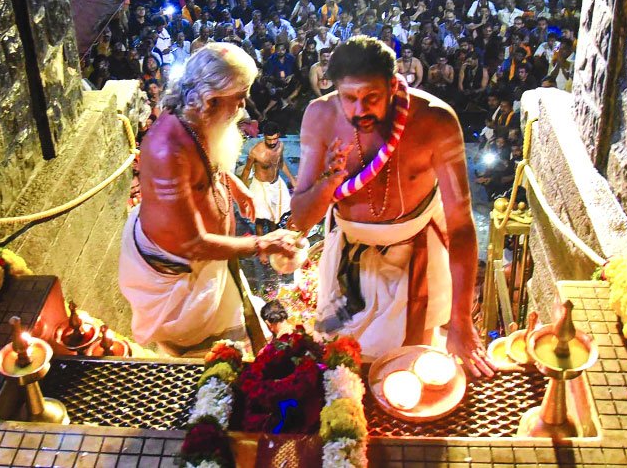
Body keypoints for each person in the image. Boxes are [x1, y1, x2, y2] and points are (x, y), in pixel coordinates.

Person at [289, 37, 495, 376]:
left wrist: (460, 321)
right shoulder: (320, 116)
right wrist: (329, 180)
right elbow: (301, 219)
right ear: (334, 89)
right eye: (349, 98)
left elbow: (460, 226)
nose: (359, 110)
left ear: (392, 84)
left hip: (415, 259)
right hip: (348, 262)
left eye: (371, 97)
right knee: (343, 369)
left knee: (409, 371)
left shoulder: (436, 121)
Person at [119, 44, 299, 356]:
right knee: (207, 362)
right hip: (182, 279)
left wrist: (230, 183)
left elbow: (204, 169)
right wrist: (263, 243)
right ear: (211, 99)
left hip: (210, 265)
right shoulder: (168, 150)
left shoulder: (197, 120)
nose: (244, 106)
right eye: (239, 96)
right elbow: (193, 244)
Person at [241, 121, 297, 233]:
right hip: (260, 187)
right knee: (260, 219)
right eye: (269, 139)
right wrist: (242, 191)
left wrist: (291, 179)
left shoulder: (280, 146)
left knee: (274, 219)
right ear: (264, 137)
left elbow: (280, 163)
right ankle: (261, 247)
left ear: (278, 135)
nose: (272, 142)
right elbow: (247, 170)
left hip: (276, 184)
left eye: (274, 139)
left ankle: (272, 242)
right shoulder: (256, 152)